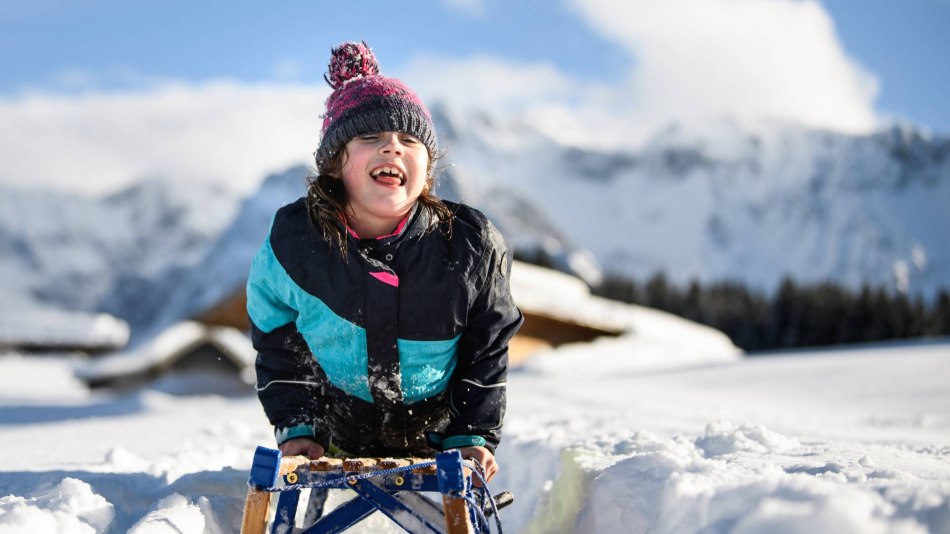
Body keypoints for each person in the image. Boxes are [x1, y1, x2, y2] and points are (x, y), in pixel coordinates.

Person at [246, 41, 523, 487]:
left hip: (436, 425)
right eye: (371, 137)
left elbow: (487, 344)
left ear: (428, 168)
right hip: (338, 423)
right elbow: (277, 336)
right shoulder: (296, 243)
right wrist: (297, 424)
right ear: (336, 163)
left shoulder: (468, 246)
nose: (393, 148)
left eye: (409, 140)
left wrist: (472, 432)